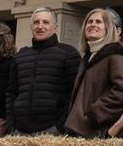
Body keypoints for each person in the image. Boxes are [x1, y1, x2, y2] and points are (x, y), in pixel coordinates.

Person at [64, 7, 123, 138]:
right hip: (81, 131)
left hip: (98, 131)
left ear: (108, 28)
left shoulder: (117, 55)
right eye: (90, 21)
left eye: (98, 22)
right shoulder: (89, 57)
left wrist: (94, 113)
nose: (93, 24)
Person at [7, 8, 81, 136]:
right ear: (31, 26)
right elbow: (11, 93)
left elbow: (75, 94)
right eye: (36, 22)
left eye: (45, 22)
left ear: (55, 27)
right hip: (19, 132)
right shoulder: (20, 57)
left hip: (52, 132)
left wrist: (59, 127)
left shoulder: (69, 54)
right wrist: (11, 125)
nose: (40, 26)